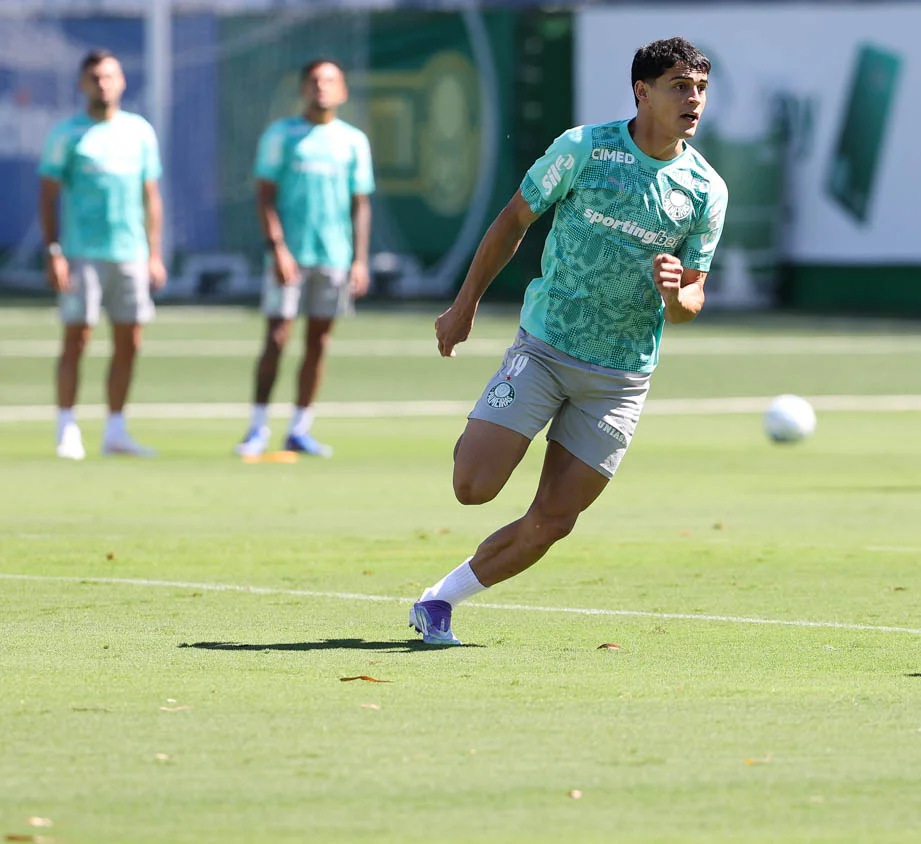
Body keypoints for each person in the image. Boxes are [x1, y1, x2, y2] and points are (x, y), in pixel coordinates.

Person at [408, 37, 727, 645]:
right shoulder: (583, 148)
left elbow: (691, 302)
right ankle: (501, 421)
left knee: (553, 520)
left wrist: (671, 295)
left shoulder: (706, 189)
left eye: (701, 89)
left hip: (620, 380)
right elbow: (512, 221)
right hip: (545, 350)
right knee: (471, 487)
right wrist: (464, 305)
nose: (694, 100)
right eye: (680, 86)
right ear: (643, 91)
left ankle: (440, 601)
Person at [235, 58, 373, 458]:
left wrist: (359, 260)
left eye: (330, 81)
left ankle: (299, 427)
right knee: (277, 338)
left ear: (343, 90)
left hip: (334, 257)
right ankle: (257, 427)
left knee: (319, 341)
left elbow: (360, 203)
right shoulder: (282, 135)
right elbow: (265, 196)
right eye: (314, 81)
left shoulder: (352, 141)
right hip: (289, 257)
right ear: (302, 89)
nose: (322, 88)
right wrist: (277, 248)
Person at [39, 49, 166, 460]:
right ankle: (66, 427)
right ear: (82, 84)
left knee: (130, 340)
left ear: (123, 82)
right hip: (82, 254)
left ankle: (116, 430)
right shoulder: (67, 134)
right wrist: (54, 251)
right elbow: (48, 195)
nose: (103, 84)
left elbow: (151, 196)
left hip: (130, 253)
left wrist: (154, 253)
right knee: (78, 338)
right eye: (95, 77)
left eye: (110, 76)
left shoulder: (139, 132)